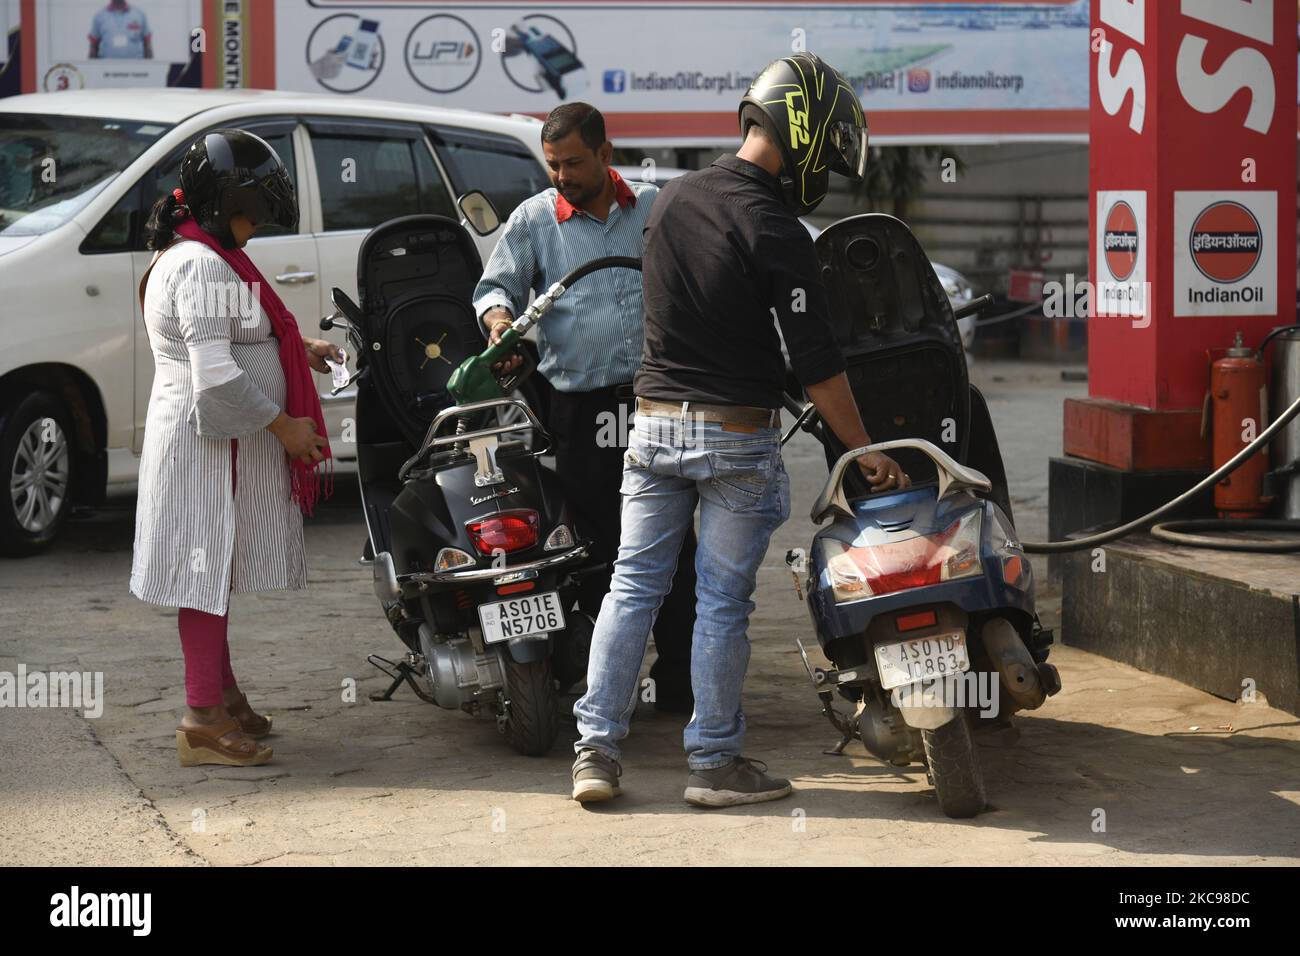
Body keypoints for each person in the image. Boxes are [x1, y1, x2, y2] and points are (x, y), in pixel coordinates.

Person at [571, 53, 909, 807]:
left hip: (653, 428)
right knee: (722, 601)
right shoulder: (774, 225)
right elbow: (818, 365)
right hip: (732, 438)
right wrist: (864, 450)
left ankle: (595, 752)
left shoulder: (670, 201)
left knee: (632, 588)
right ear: (806, 132)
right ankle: (714, 766)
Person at [472, 102, 698, 710]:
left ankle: (680, 677)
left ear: (605, 153)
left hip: (658, 403)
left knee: (674, 539)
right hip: (581, 412)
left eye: (573, 162)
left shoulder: (655, 207)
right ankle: (609, 684)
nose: (562, 176)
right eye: (552, 165)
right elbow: (496, 288)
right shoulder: (534, 219)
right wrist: (499, 322)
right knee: (598, 546)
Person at [130, 129, 337, 768]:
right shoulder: (199, 265)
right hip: (204, 447)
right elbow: (215, 374)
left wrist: (295, 351)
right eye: (255, 210)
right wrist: (286, 427)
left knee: (211, 568)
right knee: (203, 571)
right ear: (227, 203)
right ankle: (201, 719)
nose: (259, 223)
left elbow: (235, 335)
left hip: (212, 446)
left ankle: (222, 695)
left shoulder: (208, 253)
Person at [88, 1, 152, 59]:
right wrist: (91, 69)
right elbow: (93, 46)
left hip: (136, 69)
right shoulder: (100, 15)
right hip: (107, 68)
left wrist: (151, 69)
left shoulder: (139, 14)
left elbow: (147, 44)